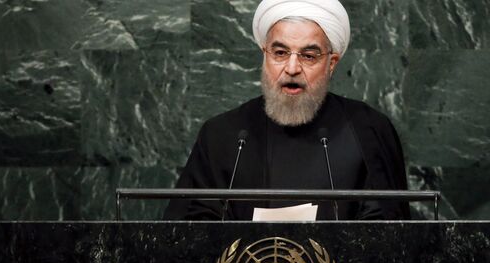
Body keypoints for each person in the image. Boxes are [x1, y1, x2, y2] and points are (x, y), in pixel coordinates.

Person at [164, 0, 410, 220]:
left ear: (331, 63)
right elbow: (188, 237)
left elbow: (387, 238)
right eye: (280, 53)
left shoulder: (368, 130)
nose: (292, 68)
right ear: (265, 54)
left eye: (308, 56)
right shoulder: (222, 135)